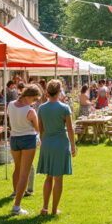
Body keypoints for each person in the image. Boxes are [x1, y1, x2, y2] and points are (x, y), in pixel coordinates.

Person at [37, 80, 77, 215]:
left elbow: (40, 130)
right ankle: (54, 210)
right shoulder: (64, 108)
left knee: (48, 177)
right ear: (59, 91)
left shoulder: (42, 108)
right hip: (61, 143)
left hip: (47, 143)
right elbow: (70, 129)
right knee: (58, 178)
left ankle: (44, 208)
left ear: (47, 91)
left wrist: (44, 142)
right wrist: (73, 145)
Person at [8, 85, 42, 215]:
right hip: (28, 139)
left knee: (17, 168)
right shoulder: (30, 110)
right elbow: (38, 129)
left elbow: (11, 119)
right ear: (29, 96)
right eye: (34, 99)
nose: (34, 102)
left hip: (14, 139)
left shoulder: (10, 104)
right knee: (24, 173)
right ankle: (16, 207)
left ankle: (16, 194)